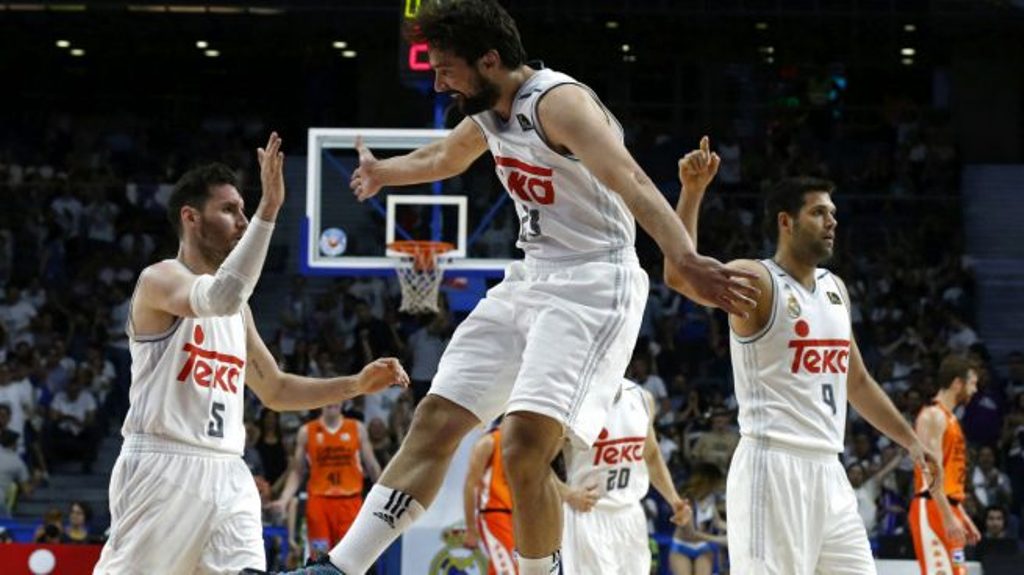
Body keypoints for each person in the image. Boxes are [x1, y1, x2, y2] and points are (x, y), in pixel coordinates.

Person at [270, 3, 755, 574]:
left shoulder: (560, 103)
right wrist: (384, 172)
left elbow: (632, 179)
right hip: (530, 277)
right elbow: (443, 156)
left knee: (524, 447)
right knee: (435, 419)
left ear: (490, 60)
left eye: (447, 68)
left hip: (595, 282)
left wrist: (685, 255)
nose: (438, 79)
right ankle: (339, 567)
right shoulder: (486, 113)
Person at [93, 133, 409, 575]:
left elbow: (275, 388)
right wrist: (269, 210)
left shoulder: (237, 311)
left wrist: (354, 384)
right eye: (229, 210)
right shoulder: (160, 280)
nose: (242, 220)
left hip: (228, 469)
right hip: (164, 467)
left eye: (245, 210)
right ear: (191, 217)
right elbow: (219, 295)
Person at [673, 137, 943, 574]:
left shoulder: (836, 289)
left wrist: (910, 441)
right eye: (819, 212)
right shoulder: (757, 280)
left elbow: (856, 382)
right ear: (786, 221)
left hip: (829, 471)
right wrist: (693, 191)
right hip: (773, 466)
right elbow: (679, 274)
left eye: (833, 213)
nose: (831, 221)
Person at [554, 378, 688, 574]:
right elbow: (536, 464)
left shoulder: (641, 397)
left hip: (631, 513)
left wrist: (674, 500)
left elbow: (651, 456)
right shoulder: (569, 401)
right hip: (589, 513)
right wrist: (568, 494)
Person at [270, 404, 382, 560]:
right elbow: (296, 471)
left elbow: (371, 466)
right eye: (329, 397)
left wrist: (385, 496)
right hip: (319, 503)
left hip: (350, 501)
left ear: (343, 401)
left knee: (349, 558)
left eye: (336, 398)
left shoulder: (356, 428)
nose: (332, 402)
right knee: (319, 557)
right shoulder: (306, 431)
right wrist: (284, 500)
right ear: (321, 402)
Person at [910, 355, 982, 575]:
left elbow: (948, 477)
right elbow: (929, 472)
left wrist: (961, 515)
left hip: (948, 507)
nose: (975, 390)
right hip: (931, 507)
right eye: (972, 383)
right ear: (957, 383)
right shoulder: (933, 416)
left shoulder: (951, 419)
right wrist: (948, 516)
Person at [463, 419, 516, 575]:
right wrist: (471, 527)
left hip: (516, 517)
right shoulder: (488, 442)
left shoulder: (521, 444)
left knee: (504, 568)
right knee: (509, 571)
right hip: (494, 514)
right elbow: (470, 485)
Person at [669, 463, 727, 575]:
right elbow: (691, 533)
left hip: (702, 547)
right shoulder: (686, 500)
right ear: (709, 482)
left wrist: (735, 531)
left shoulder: (710, 497)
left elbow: (717, 522)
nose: (719, 487)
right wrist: (720, 540)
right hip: (682, 546)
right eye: (717, 483)